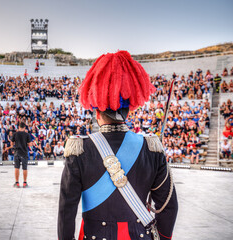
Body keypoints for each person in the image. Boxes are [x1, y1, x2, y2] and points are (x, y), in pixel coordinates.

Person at [58, 51, 178, 240]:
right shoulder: (152, 148)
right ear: (129, 111)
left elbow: (67, 209)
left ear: (96, 112)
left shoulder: (79, 150)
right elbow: (168, 207)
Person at [11, 122, 32, 188]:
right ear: (24, 127)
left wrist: (14, 147)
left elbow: (12, 143)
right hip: (24, 153)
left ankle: (17, 183)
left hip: (17, 152)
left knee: (17, 168)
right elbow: (29, 144)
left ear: (19, 127)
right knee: (24, 168)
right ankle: (24, 183)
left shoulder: (15, 134)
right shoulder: (27, 134)